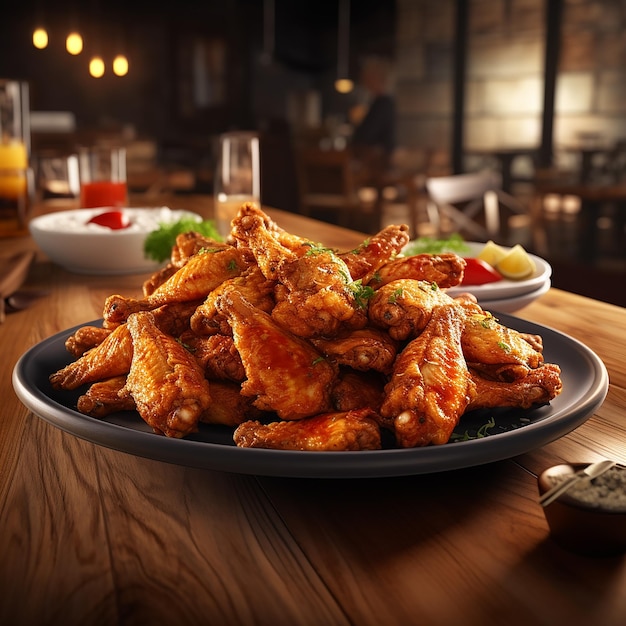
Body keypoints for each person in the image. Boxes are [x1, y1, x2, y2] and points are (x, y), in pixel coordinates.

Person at [350, 56, 396, 171]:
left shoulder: (383, 103)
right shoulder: (380, 102)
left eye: (367, 76)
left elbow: (366, 135)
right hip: (375, 160)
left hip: (377, 163)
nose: (364, 79)